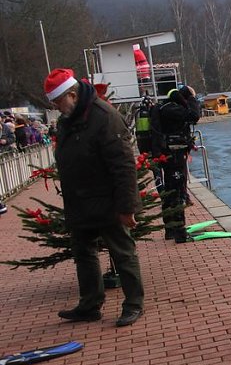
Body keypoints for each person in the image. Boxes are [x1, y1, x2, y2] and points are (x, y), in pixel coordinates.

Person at [44, 68, 145, 327]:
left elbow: (123, 166)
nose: (57, 107)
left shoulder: (105, 117)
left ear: (73, 95)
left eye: (58, 101)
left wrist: (127, 207)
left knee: (123, 252)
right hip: (79, 201)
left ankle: (133, 304)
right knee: (83, 253)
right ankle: (90, 304)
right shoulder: (70, 119)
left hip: (107, 199)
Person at [154, 86, 198, 243]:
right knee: (177, 191)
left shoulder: (165, 108)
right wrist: (192, 98)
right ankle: (179, 231)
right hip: (174, 155)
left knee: (170, 191)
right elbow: (194, 115)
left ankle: (171, 230)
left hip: (170, 154)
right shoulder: (172, 109)